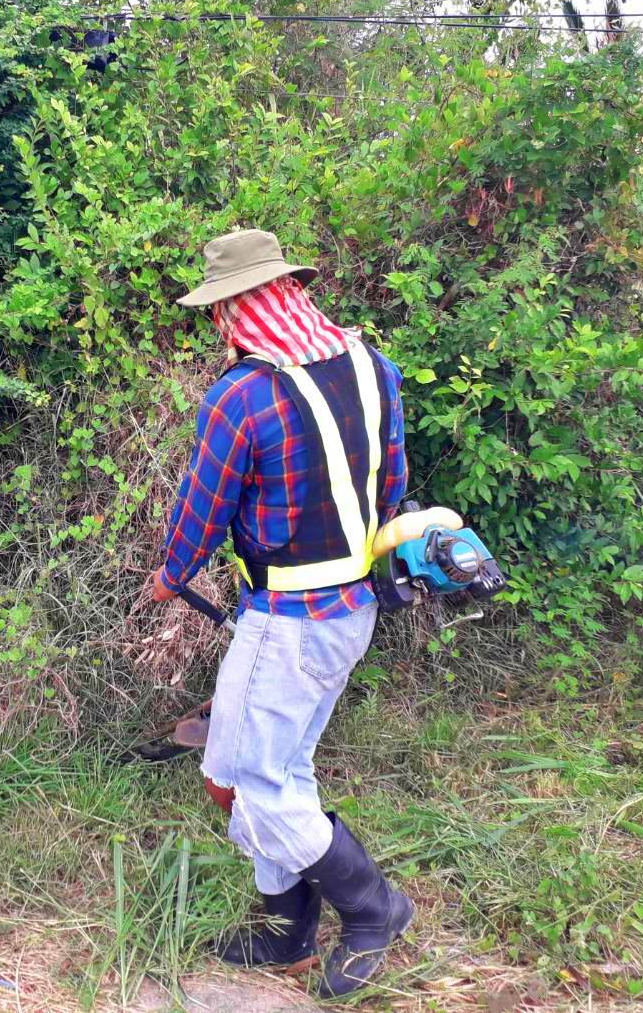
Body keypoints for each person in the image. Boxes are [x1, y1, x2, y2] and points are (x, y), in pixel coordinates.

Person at [148, 228, 414, 998]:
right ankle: (284, 934)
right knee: (255, 771)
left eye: (218, 312)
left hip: (290, 620)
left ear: (233, 308)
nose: (219, 327)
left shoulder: (243, 396)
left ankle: (373, 909)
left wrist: (171, 575)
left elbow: (204, 507)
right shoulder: (373, 367)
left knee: (254, 784)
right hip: (353, 604)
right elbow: (391, 482)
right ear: (293, 289)